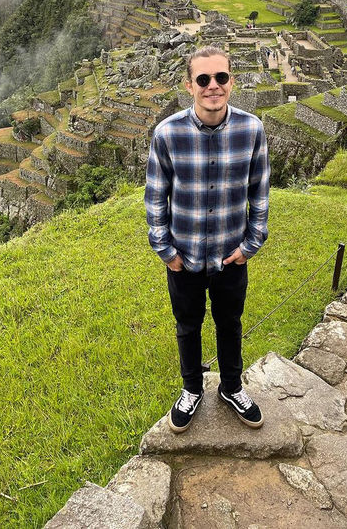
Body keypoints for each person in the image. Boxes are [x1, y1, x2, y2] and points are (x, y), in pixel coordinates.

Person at [145, 46, 270, 433]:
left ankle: (232, 387)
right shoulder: (167, 134)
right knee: (187, 325)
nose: (213, 86)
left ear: (232, 81)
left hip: (230, 255)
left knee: (230, 323)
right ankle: (191, 389)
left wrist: (250, 246)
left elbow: (260, 194)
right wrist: (166, 251)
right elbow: (155, 197)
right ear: (190, 86)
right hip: (184, 256)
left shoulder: (252, 130)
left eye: (221, 78)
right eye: (203, 79)